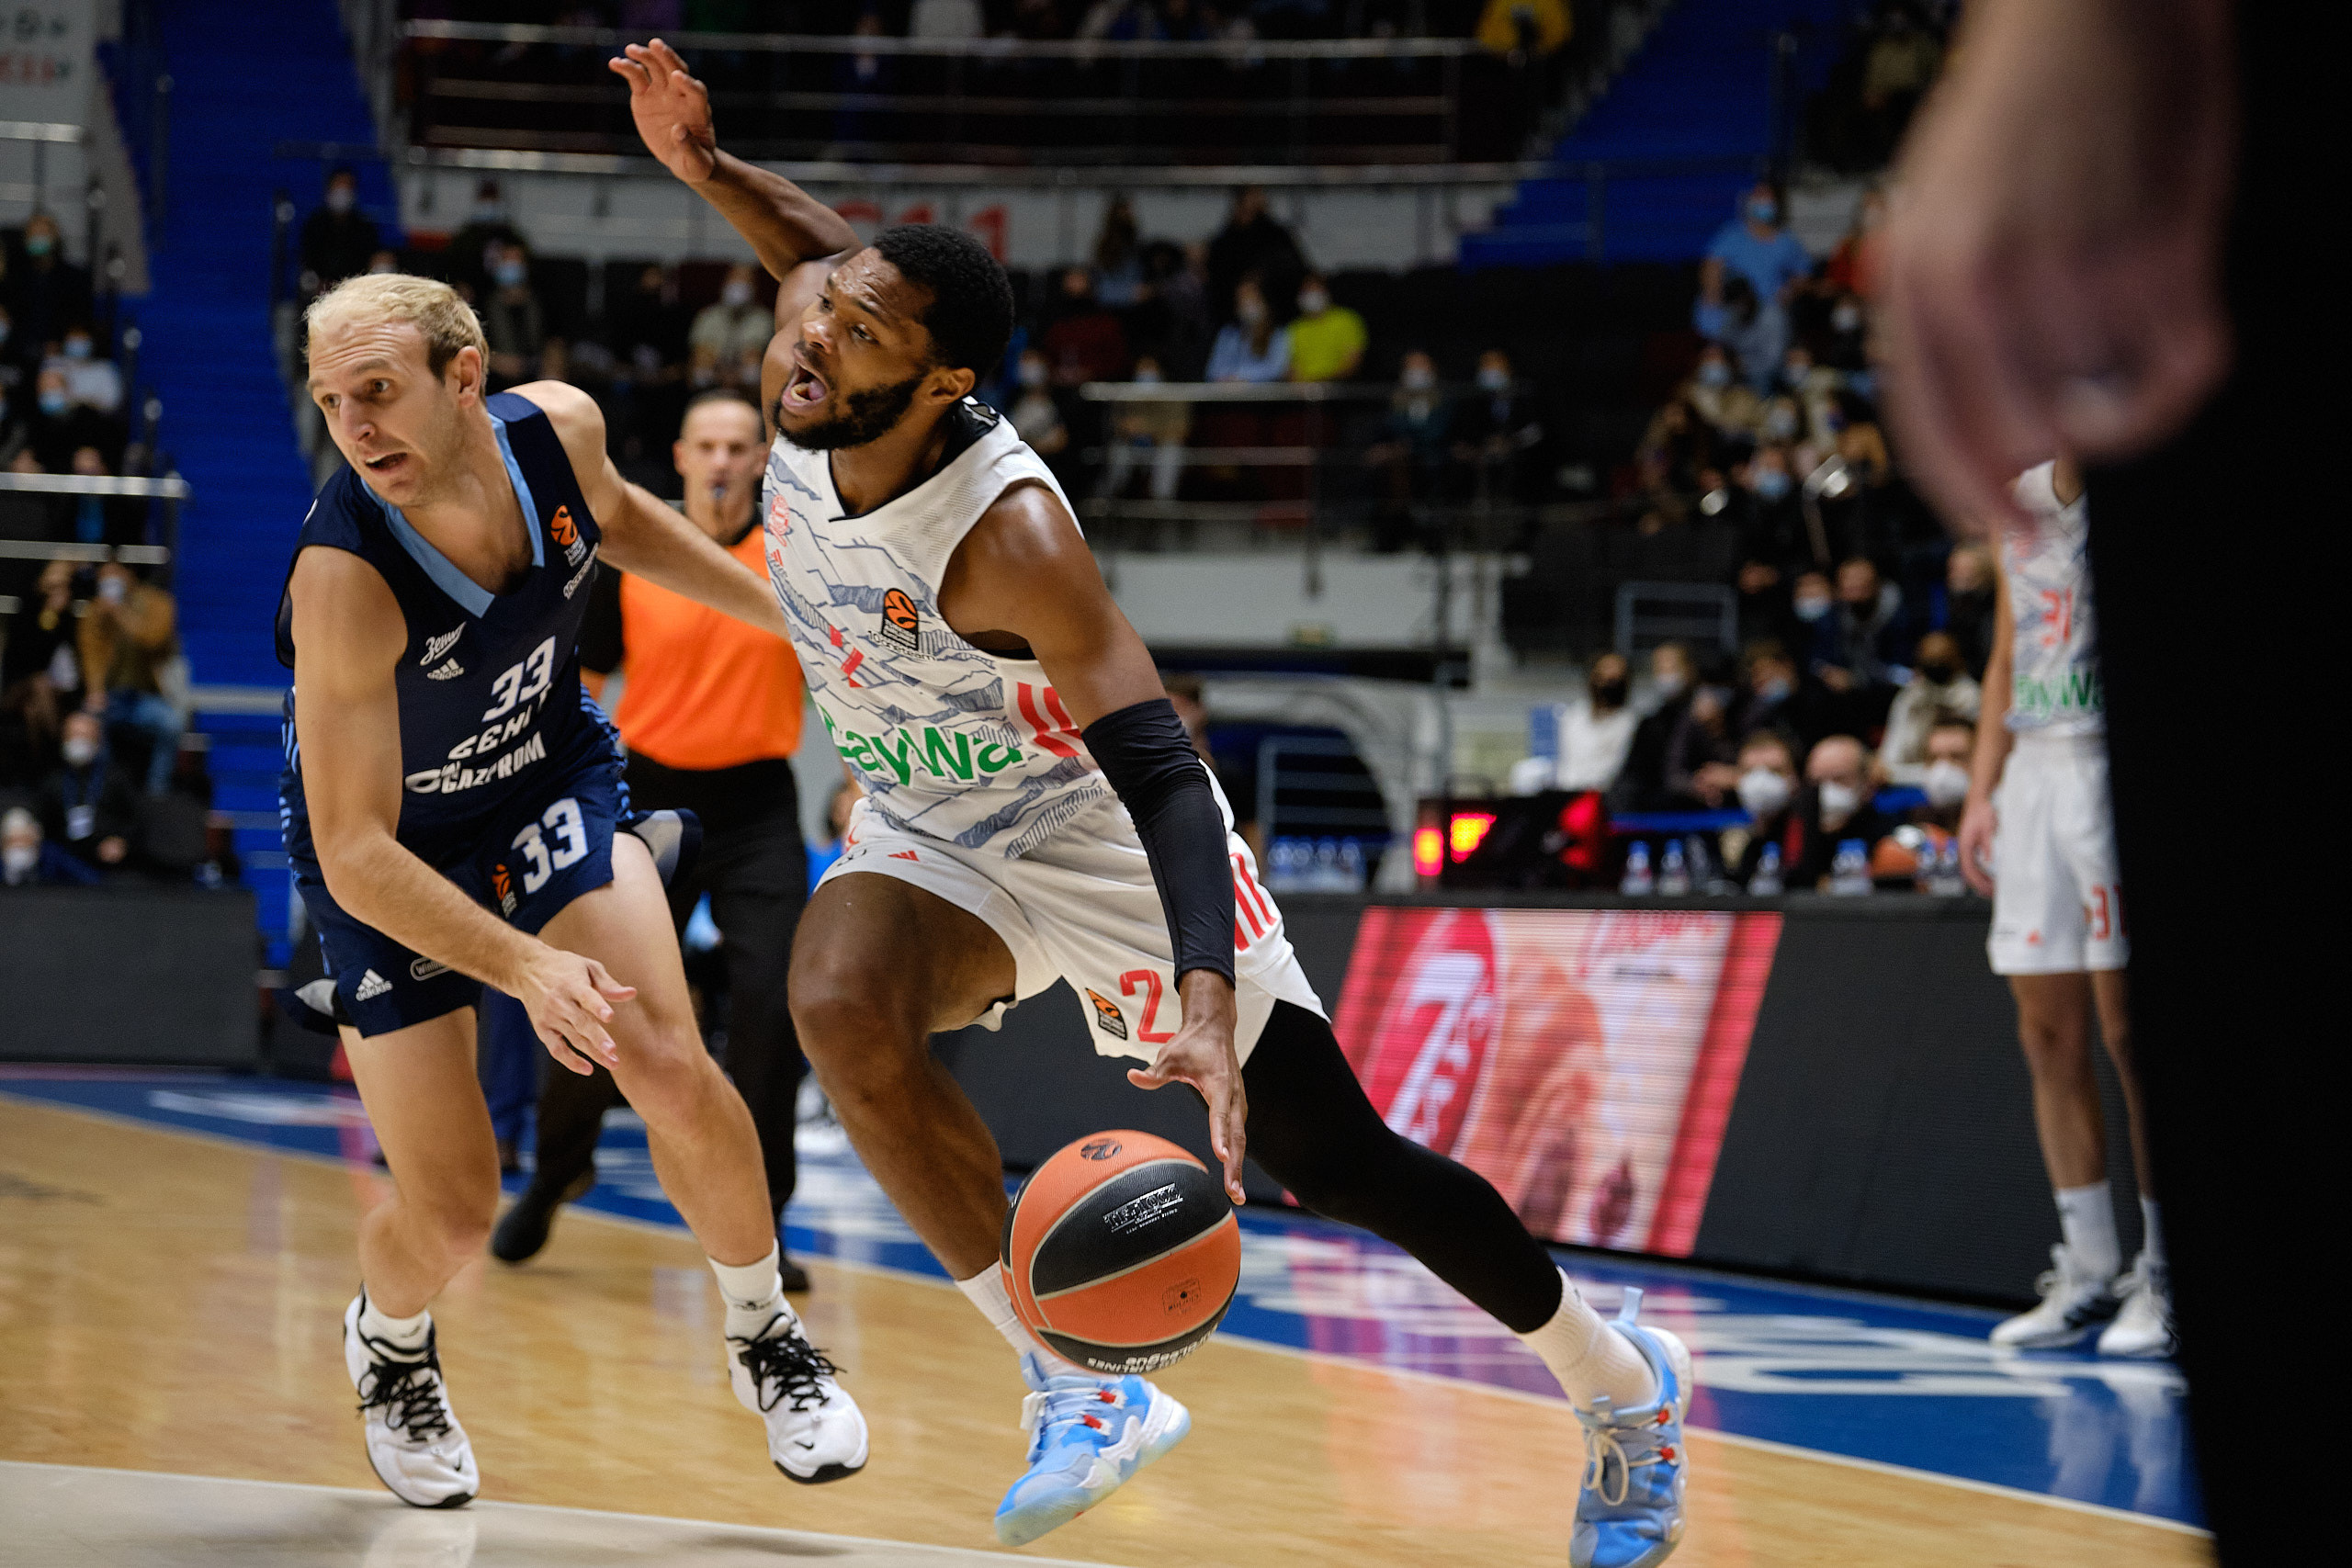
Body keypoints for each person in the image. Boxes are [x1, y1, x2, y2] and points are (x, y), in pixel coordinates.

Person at [616, 38, 1691, 1562]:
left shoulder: (1010, 536)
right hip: (929, 824)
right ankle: (1079, 1387)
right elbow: (819, 256)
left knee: (1336, 1158)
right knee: (838, 1005)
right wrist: (708, 168)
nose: (811, 343)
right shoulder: (817, 347)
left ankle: (1622, 1384)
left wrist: (1196, 986)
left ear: (944, 381)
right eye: (816, 311)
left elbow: (1166, 770)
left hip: (1090, 825)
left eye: (860, 334)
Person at [279, 261, 868, 1508]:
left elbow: (617, 515)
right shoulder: (343, 575)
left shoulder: (558, 428)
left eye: (379, 391)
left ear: (466, 378)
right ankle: (389, 1339)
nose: (356, 426)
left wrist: (785, 615)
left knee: (661, 1051)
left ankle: (765, 1330)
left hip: (548, 772)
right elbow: (353, 850)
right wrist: (526, 960)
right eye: (333, 401)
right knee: (451, 1209)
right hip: (395, 851)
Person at [495, 391, 819, 1289]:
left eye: (737, 446)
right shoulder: (635, 557)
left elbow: (849, 679)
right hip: (648, 798)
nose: (720, 459)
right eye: (705, 444)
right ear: (678, 457)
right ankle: (557, 1172)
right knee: (604, 1001)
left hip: (759, 806)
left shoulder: (794, 556)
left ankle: (766, 1217)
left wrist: (867, 790)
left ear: (760, 459)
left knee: (768, 1002)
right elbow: (581, 683)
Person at [1957, 457, 2165, 1357]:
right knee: (2046, 1033)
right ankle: (2087, 1268)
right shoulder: (2018, 503)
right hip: (2035, 772)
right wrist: (1979, 791)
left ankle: (2162, 1275)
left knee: (2131, 1035)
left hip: (2108, 767)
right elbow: (2006, 655)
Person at [78, 561, 184, 795]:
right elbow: (90, 656)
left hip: (144, 696)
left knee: (171, 724)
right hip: (109, 697)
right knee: (86, 726)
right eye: (103, 577)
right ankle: (101, 792)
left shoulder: (157, 603)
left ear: (129, 575)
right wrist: (95, 691)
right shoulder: (94, 612)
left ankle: (156, 794)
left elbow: (152, 640)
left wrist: (120, 614)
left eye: (114, 575)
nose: (108, 582)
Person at [1695, 185, 1812, 391]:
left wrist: (1789, 292)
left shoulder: (1786, 242)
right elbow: (1712, 265)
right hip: (1731, 310)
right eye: (1758, 198)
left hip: (1766, 312)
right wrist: (1714, 296)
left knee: (1769, 356)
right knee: (1714, 354)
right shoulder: (1732, 235)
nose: (1763, 204)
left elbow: (1803, 273)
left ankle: (1760, 393)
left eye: (1768, 200)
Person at [37, 710, 137, 874]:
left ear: (97, 742)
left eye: (84, 737)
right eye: (73, 736)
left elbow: (135, 818)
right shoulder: (53, 781)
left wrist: (122, 841)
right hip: (65, 861)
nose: (78, 742)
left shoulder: (115, 778)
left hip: (109, 863)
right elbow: (42, 823)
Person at [1879, 629, 1981, 785]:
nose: (1935, 666)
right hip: (1911, 780)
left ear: (1957, 660)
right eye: (1929, 661)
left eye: (1941, 660)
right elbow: (1888, 762)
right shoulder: (1910, 698)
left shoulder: (1972, 696)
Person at [300, 166, 383, 299]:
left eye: (347, 188)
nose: (343, 193)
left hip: (355, 293)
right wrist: (319, 283)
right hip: (319, 292)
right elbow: (307, 261)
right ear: (329, 189)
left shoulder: (365, 227)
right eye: (339, 187)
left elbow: (371, 261)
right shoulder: (315, 224)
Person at [690, 264, 773, 390]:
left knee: (752, 364)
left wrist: (738, 378)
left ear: (754, 287)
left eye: (745, 281)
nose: (739, 286)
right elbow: (700, 369)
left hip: (749, 391)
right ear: (725, 284)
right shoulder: (708, 316)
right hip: (711, 388)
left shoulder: (763, 319)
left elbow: (753, 367)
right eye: (735, 280)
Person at [478, 243, 547, 391]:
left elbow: (554, 342)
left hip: (536, 374)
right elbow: (469, 342)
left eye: (515, 260)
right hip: (493, 377)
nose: (510, 266)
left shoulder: (542, 301)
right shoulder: (482, 303)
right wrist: (493, 361)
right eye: (505, 260)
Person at [1204, 276, 1288, 383]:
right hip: (1227, 397)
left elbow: (1277, 369)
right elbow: (1212, 371)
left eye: (1252, 297)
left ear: (1263, 301)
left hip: (1262, 398)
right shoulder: (1228, 334)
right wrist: (1229, 380)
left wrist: (1240, 377)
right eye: (1242, 299)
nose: (1247, 303)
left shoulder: (1278, 334)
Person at [1285, 271, 1365, 384]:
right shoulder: (1295, 328)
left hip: (1339, 390)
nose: (1311, 294)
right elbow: (1292, 367)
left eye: (1315, 289)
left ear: (1326, 292)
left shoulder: (1347, 320)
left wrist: (1323, 382)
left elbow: (1353, 364)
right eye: (1307, 291)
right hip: (1302, 393)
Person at [3, 803, 98, 886]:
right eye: (12, 840)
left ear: (36, 838)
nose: (19, 845)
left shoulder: (52, 855)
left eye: (24, 839)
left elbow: (89, 877)